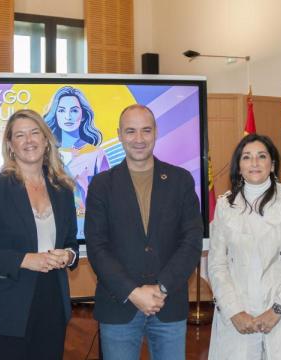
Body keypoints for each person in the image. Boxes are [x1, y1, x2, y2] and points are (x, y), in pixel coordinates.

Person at [85, 104, 203, 360]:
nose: (138, 139)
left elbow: (192, 240)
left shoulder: (180, 180)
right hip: (119, 305)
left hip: (168, 303)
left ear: (156, 132)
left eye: (146, 130)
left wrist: (162, 288)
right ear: (119, 134)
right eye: (130, 131)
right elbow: (97, 247)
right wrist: (133, 292)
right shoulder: (101, 185)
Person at [0, 109, 79, 360]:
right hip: (5, 308)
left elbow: (72, 242)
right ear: (10, 146)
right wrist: (25, 259)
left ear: (45, 140)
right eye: (20, 135)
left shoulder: (62, 190)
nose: (29, 140)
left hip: (52, 302)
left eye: (34, 133)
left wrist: (69, 255)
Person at [207, 134, 281, 360]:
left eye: (262, 156)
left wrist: (278, 309)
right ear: (238, 167)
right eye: (247, 157)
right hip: (240, 315)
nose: (254, 163)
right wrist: (234, 311)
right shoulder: (225, 206)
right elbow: (217, 264)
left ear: (272, 164)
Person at [44, 86, 109, 215]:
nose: (68, 117)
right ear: (55, 114)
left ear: (84, 114)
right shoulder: (45, 154)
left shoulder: (96, 154)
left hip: (86, 226)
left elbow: (108, 199)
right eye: (61, 111)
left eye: (74, 111)